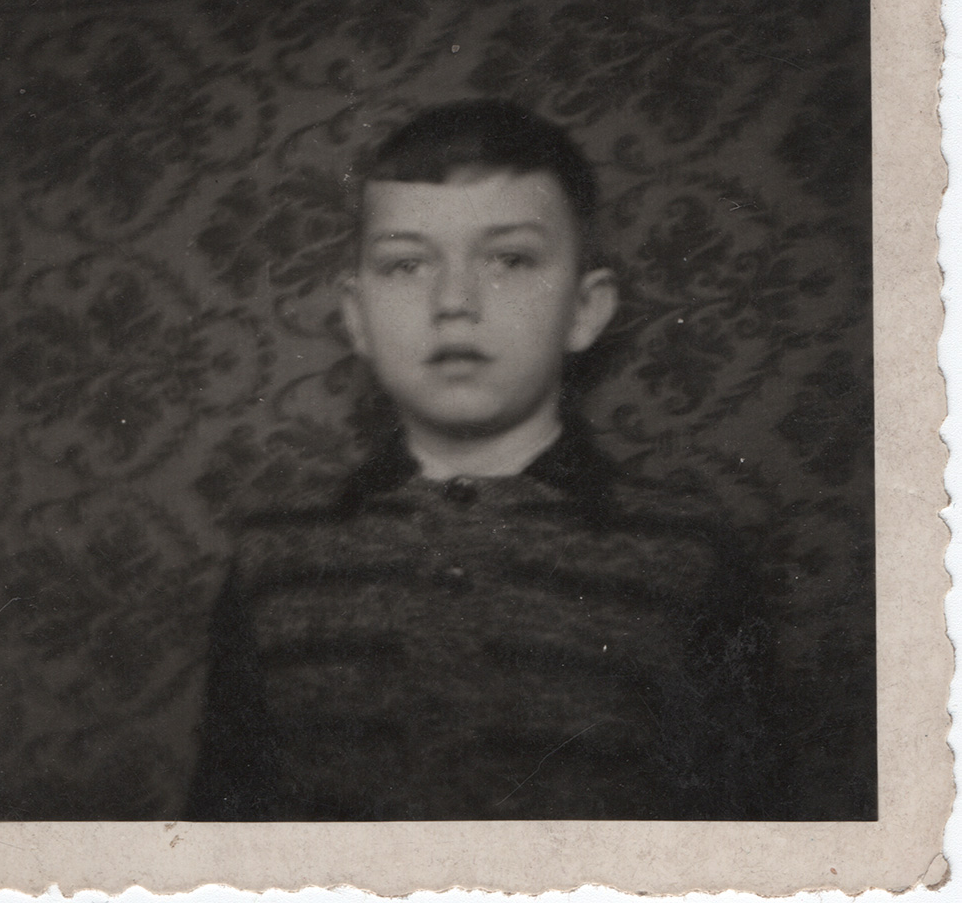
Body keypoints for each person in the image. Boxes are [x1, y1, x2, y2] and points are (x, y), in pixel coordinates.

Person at [186, 100, 766, 822]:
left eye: (510, 260)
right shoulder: (274, 556)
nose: (453, 301)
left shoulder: (687, 554)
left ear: (584, 309)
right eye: (406, 264)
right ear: (357, 316)